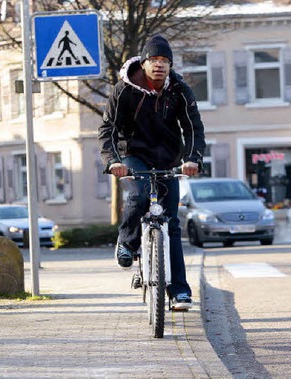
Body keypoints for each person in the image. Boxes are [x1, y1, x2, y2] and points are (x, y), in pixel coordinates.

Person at [98, 35, 206, 311]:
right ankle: (127, 242)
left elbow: (193, 127)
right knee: (139, 196)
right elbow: (107, 129)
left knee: (171, 225)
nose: (159, 66)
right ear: (144, 63)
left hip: (169, 159)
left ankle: (179, 291)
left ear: (170, 65)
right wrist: (113, 161)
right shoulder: (124, 89)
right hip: (134, 155)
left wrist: (192, 159)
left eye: (165, 61)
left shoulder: (179, 90)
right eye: (154, 60)